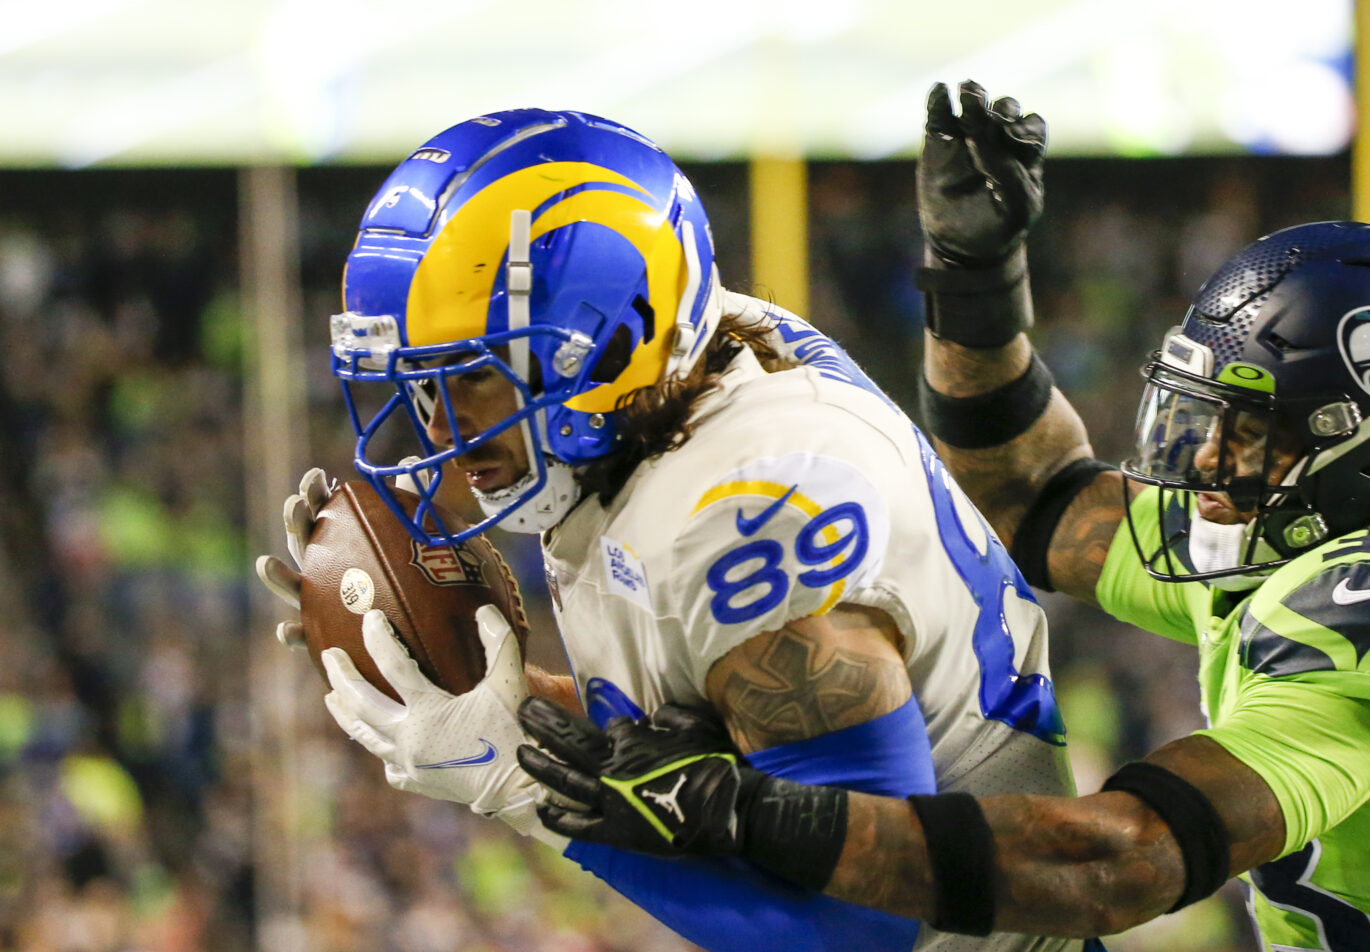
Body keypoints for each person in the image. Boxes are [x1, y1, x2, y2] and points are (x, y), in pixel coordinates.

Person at [513, 83, 1370, 951]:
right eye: (1202, 414)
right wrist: (974, 281)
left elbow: (1120, 863)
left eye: (1247, 429)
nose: (1204, 460)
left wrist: (754, 814)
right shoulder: (1293, 543)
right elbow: (1031, 496)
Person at [253, 106, 1085, 952]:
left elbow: (862, 930)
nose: (438, 430)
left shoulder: (748, 519)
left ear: (607, 343)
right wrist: (503, 692)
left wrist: (518, 782)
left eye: (471, 377)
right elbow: (715, 736)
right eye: (423, 385)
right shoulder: (680, 368)